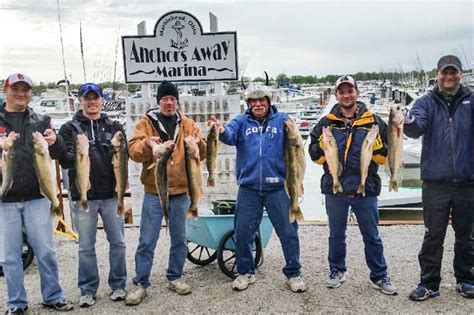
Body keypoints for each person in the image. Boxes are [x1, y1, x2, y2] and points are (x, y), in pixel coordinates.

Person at [208, 83, 307, 293]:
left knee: (288, 232)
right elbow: (229, 134)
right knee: (243, 232)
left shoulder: (281, 121)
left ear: (268, 102)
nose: (258, 104)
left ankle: (293, 273)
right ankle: (245, 271)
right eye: (253, 101)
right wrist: (221, 129)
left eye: (262, 100)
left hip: (279, 187)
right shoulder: (242, 122)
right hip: (249, 188)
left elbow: (296, 145)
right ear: (249, 104)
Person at [308, 75, 396, 295]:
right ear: (336, 95)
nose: (346, 95)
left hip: (364, 187)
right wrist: (321, 146)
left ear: (357, 92)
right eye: (342, 92)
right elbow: (314, 155)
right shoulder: (326, 122)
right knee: (336, 234)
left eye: (350, 91)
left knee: (371, 235)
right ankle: (337, 270)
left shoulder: (374, 121)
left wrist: (377, 148)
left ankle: (379, 275)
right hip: (334, 187)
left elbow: (386, 156)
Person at [125, 81, 206, 305]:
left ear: (177, 101)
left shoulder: (188, 123)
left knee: (179, 239)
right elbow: (133, 149)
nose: (168, 103)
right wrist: (150, 146)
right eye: (164, 99)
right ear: (158, 101)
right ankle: (141, 283)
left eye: (172, 99)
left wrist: (199, 143)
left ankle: (175, 276)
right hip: (154, 192)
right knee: (147, 240)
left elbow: (204, 152)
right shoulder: (145, 123)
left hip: (182, 192)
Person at [0, 73, 74, 314]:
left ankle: (53, 296)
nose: (20, 93)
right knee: (10, 257)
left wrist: (56, 141)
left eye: (25, 89)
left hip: (37, 197)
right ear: (5, 89)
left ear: (30, 93)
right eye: (16, 88)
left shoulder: (42, 120)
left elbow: (60, 157)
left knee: (45, 251)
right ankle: (16, 303)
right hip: (4, 200)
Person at [404, 55, 474, 301]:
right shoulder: (425, 103)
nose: (449, 77)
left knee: (466, 235)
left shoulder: (471, 100)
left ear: (460, 74)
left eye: (453, 72)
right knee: (434, 234)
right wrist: (407, 120)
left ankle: (466, 279)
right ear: (437, 74)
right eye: (445, 72)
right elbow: (414, 129)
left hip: (468, 182)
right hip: (436, 183)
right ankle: (429, 282)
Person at [58, 83, 127, 307]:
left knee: (118, 242)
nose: (92, 102)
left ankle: (118, 284)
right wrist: (80, 150)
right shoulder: (69, 128)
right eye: (87, 98)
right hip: (83, 195)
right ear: (80, 101)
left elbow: (124, 157)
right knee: (85, 246)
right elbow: (66, 161)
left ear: (101, 100)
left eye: (95, 97)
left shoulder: (114, 125)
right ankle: (87, 289)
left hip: (111, 195)